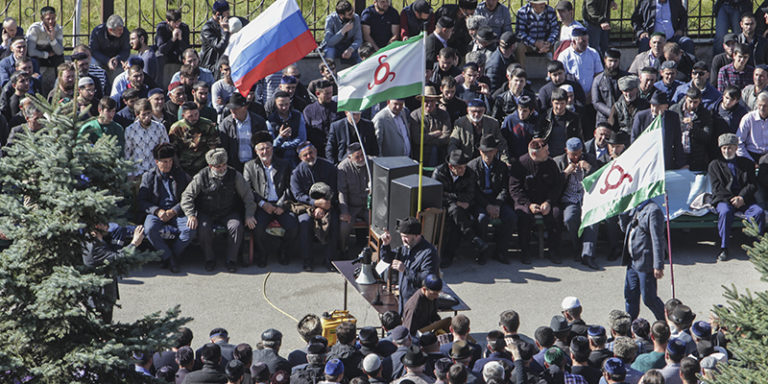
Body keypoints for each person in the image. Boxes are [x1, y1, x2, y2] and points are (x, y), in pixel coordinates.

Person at [181, 148, 257, 272]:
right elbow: (187, 196)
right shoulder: (202, 176)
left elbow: (248, 196)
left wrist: (249, 215)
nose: (222, 168)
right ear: (211, 166)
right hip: (207, 212)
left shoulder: (234, 175)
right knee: (203, 228)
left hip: (228, 211)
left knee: (236, 226)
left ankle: (231, 260)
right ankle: (209, 259)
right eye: (218, 166)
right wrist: (190, 214)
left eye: (224, 165)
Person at [138, 143, 194, 273]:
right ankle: (170, 258)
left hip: (176, 212)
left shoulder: (180, 175)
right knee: (150, 228)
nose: (168, 164)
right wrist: (157, 211)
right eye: (164, 162)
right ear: (157, 162)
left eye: (170, 161)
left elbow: (187, 198)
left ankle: (168, 257)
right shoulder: (149, 176)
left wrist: (174, 210)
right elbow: (142, 201)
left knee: (190, 230)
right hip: (157, 212)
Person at [708, 133, 764, 261]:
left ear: (735, 148)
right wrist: (733, 200)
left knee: (758, 212)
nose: (727, 151)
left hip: (745, 200)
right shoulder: (714, 165)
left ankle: (759, 247)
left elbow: (752, 185)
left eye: (730, 148)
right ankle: (724, 247)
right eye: (724, 148)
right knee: (725, 212)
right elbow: (717, 188)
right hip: (724, 200)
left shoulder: (747, 163)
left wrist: (742, 197)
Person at [509, 138, 563, 264]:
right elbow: (515, 189)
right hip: (526, 202)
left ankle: (554, 251)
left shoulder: (551, 164)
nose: (548, 153)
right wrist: (529, 204)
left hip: (546, 201)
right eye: (545, 151)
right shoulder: (520, 164)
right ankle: (525, 252)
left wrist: (549, 202)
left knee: (556, 215)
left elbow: (557, 186)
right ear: (534, 154)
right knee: (524, 216)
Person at [290, 142, 339, 272]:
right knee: (304, 222)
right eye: (305, 155)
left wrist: (323, 206)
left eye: (311, 152)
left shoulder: (329, 167)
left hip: (328, 205)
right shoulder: (297, 172)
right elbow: (297, 194)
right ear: (300, 157)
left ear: (316, 151)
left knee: (334, 221)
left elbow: (335, 188)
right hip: (306, 207)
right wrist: (315, 203)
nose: (309, 156)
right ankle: (307, 260)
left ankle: (329, 260)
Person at [434, 149, 487, 266]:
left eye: (464, 167)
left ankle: (450, 255)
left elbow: (470, 194)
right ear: (451, 167)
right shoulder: (440, 172)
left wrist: (456, 200)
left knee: (456, 215)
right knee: (455, 211)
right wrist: (456, 201)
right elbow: (437, 194)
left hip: (463, 207)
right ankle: (473, 238)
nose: (463, 170)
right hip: (445, 206)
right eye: (459, 168)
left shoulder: (469, 173)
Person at [82, 223, 144, 323]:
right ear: (97, 227)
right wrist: (134, 243)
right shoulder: (94, 247)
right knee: (100, 326)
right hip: (99, 297)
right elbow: (117, 258)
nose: (108, 227)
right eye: (105, 224)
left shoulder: (96, 239)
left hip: (104, 294)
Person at [468, 135, 514, 264]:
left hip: (496, 200)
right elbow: (474, 191)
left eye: (490, 151)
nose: (487, 154)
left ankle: (501, 251)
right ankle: (481, 251)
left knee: (510, 217)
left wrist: (497, 205)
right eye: (484, 151)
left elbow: (505, 188)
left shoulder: (502, 166)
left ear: (495, 151)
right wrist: (487, 206)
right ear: (480, 151)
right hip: (480, 201)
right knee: (481, 219)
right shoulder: (472, 166)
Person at [379, 217, 440, 313]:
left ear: (416, 235)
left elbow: (426, 280)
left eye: (405, 236)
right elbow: (388, 259)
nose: (403, 239)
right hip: (404, 302)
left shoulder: (429, 253)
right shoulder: (406, 247)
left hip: (419, 306)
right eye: (402, 236)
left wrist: (405, 270)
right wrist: (386, 245)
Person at [555, 137, 599, 269]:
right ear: (566, 151)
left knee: (592, 220)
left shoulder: (590, 159)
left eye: (579, 153)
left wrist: (589, 169)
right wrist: (565, 173)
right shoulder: (559, 161)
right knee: (570, 218)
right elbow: (554, 186)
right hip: (569, 198)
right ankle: (576, 247)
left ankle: (588, 255)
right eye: (573, 154)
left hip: (587, 198)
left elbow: (598, 179)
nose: (576, 157)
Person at [619, 199, 666, 321]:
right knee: (630, 295)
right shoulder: (634, 207)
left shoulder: (653, 210)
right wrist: (622, 212)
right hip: (632, 262)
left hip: (646, 263)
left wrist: (658, 265)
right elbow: (625, 229)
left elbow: (657, 239)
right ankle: (628, 326)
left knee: (649, 299)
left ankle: (665, 322)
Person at [631, 92, 685, 170]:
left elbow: (677, 143)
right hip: (645, 164)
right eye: (653, 105)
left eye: (658, 106)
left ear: (666, 107)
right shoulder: (641, 117)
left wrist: (682, 164)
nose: (655, 109)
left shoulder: (673, 118)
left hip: (665, 163)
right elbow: (634, 141)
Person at [218, 92, 269, 172]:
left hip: (255, 165)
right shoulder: (226, 124)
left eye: (236, 108)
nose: (233, 111)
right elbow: (223, 146)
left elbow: (265, 142)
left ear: (245, 107)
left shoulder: (259, 122)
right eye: (231, 108)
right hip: (234, 166)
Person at [449, 98, 510, 164]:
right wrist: (456, 160)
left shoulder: (493, 123)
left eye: (480, 111)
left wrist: (505, 161)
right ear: (468, 110)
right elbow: (453, 143)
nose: (477, 114)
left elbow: (502, 144)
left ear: (484, 111)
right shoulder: (460, 123)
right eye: (473, 111)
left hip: (488, 159)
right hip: (467, 161)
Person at [169, 101, 221, 175]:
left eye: (196, 114)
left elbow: (213, 148)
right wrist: (179, 170)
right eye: (190, 116)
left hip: (204, 166)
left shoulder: (207, 125)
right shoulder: (176, 128)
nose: (194, 118)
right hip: (184, 168)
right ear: (183, 115)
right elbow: (173, 151)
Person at [669, 87, 713, 172]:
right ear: (686, 98)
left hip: (695, 156)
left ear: (700, 100)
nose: (692, 105)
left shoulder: (705, 114)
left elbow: (706, 137)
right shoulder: (674, 110)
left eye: (695, 102)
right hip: (677, 154)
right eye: (690, 102)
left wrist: (693, 127)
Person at [125, 99, 170, 177]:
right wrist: (129, 174)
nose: (147, 117)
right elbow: (127, 153)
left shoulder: (160, 127)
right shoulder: (130, 130)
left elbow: (165, 149)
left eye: (149, 113)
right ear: (137, 115)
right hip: (138, 172)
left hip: (156, 172)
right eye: (143, 115)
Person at [337, 143, 368, 253]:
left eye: (362, 155)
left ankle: (374, 251)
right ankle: (343, 249)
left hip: (368, 206)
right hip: (352, 207)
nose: (361, 159)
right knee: (344, 226)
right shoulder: (343, 167)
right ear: (350, 157)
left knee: (379, 224)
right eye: (357, 156)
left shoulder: (371, 163)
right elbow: (342, 192)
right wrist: (344, 211)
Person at [25, 6, 63, 94]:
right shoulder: (35, 29)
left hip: (52, 56)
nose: (51, 21)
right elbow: (31, 51)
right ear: (42, 19)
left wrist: (52, 39)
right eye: (48, 19)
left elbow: (59, 51)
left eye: (53, 18)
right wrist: (46, 54)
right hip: (39, 55)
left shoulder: (58, 29)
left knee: (60, 60)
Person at [410, 86, 451, 167]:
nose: (429, 104)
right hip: (420, 159)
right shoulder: (415, 115)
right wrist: (434, 134)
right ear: (421, 101)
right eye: (426, 101)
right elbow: (417, 139)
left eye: (432, 101)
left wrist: (427, 140)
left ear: (436, 101)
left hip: (440, 158)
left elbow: (446, 136)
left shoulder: (444, 114)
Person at [535, 87, 582, 158]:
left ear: (566, 102)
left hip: (566, 156)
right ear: (552, 102)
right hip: (548, 155)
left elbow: (579, 136)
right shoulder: (544, 118)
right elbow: (537, 137)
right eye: (556, 103)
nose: (559, 107)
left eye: (562, 103)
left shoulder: (574, 118)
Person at [558, 27, 603, 96]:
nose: (586, 44)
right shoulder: (564, 56)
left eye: (587, 40)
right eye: (583, 41)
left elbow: (599, 75)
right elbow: (562, 77)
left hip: (591, 95)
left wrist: (592, 94)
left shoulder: (593, 53)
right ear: (574, 41)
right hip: (572, 97)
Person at [267, 90, 308, 166]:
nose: (284, 107)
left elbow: (302, 139)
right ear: (275, 104)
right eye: (281, 105)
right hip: (278, 159)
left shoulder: (298, 115)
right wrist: (281, 137)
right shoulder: (270, 120)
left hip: (297, 157)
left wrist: (284, 145)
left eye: (286, 104)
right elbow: (272, 145)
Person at [303, 79, 342, 158]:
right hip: (319, 152)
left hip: (337, 150)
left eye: (331, 93)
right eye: (327, 93)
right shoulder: (309, 111)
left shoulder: (339, 108)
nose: (330, 96)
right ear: (318, 93)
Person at [515, 0, 559, 69]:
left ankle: (554, 70)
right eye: (539, 3)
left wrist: (549, 42)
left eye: (543, 2)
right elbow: (520, 33)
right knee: (519, 46)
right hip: (529, 44)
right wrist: (535, 43)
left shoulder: (551, 11)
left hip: (546, 43)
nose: (543, 4)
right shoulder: (522, 12)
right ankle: (522, 73)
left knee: (557, 45)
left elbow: (555, 30)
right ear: (532, 4)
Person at [155, 9, 191, 85]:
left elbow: (186, 49)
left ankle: (187, 83)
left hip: (178, 53)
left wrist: (180, 39)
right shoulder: (161, 28)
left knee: (189, 57)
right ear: (168, 21)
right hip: (166, 53)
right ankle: (159, 85)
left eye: (179, 22)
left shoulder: (184, 28)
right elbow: (161, 49)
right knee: (159, 57)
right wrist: (172, 39)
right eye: (175, 22)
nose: (177, 25)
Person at [592, 49, 627, 124]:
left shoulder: (626, 78)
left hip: (623, 117)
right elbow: (596, 102)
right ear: (605, 60)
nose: (613, 64)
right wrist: (611, 112)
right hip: (604, 118)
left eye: (615, 61)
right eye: (610, 61)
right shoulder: (598, 80)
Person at [736, 92, 768, 162]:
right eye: (760, 105)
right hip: (751, 154)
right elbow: (739, 142)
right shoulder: (748, 118)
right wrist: (749, 160)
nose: (762, 108)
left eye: (765, 106)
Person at [200, 0, 231, 71]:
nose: (228, 16)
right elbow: (219, 47)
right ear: (218, 15)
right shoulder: (207, 29)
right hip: (211, 68)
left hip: (224, 65)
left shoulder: (225, 24)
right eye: (227, 14)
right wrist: (225, 31)